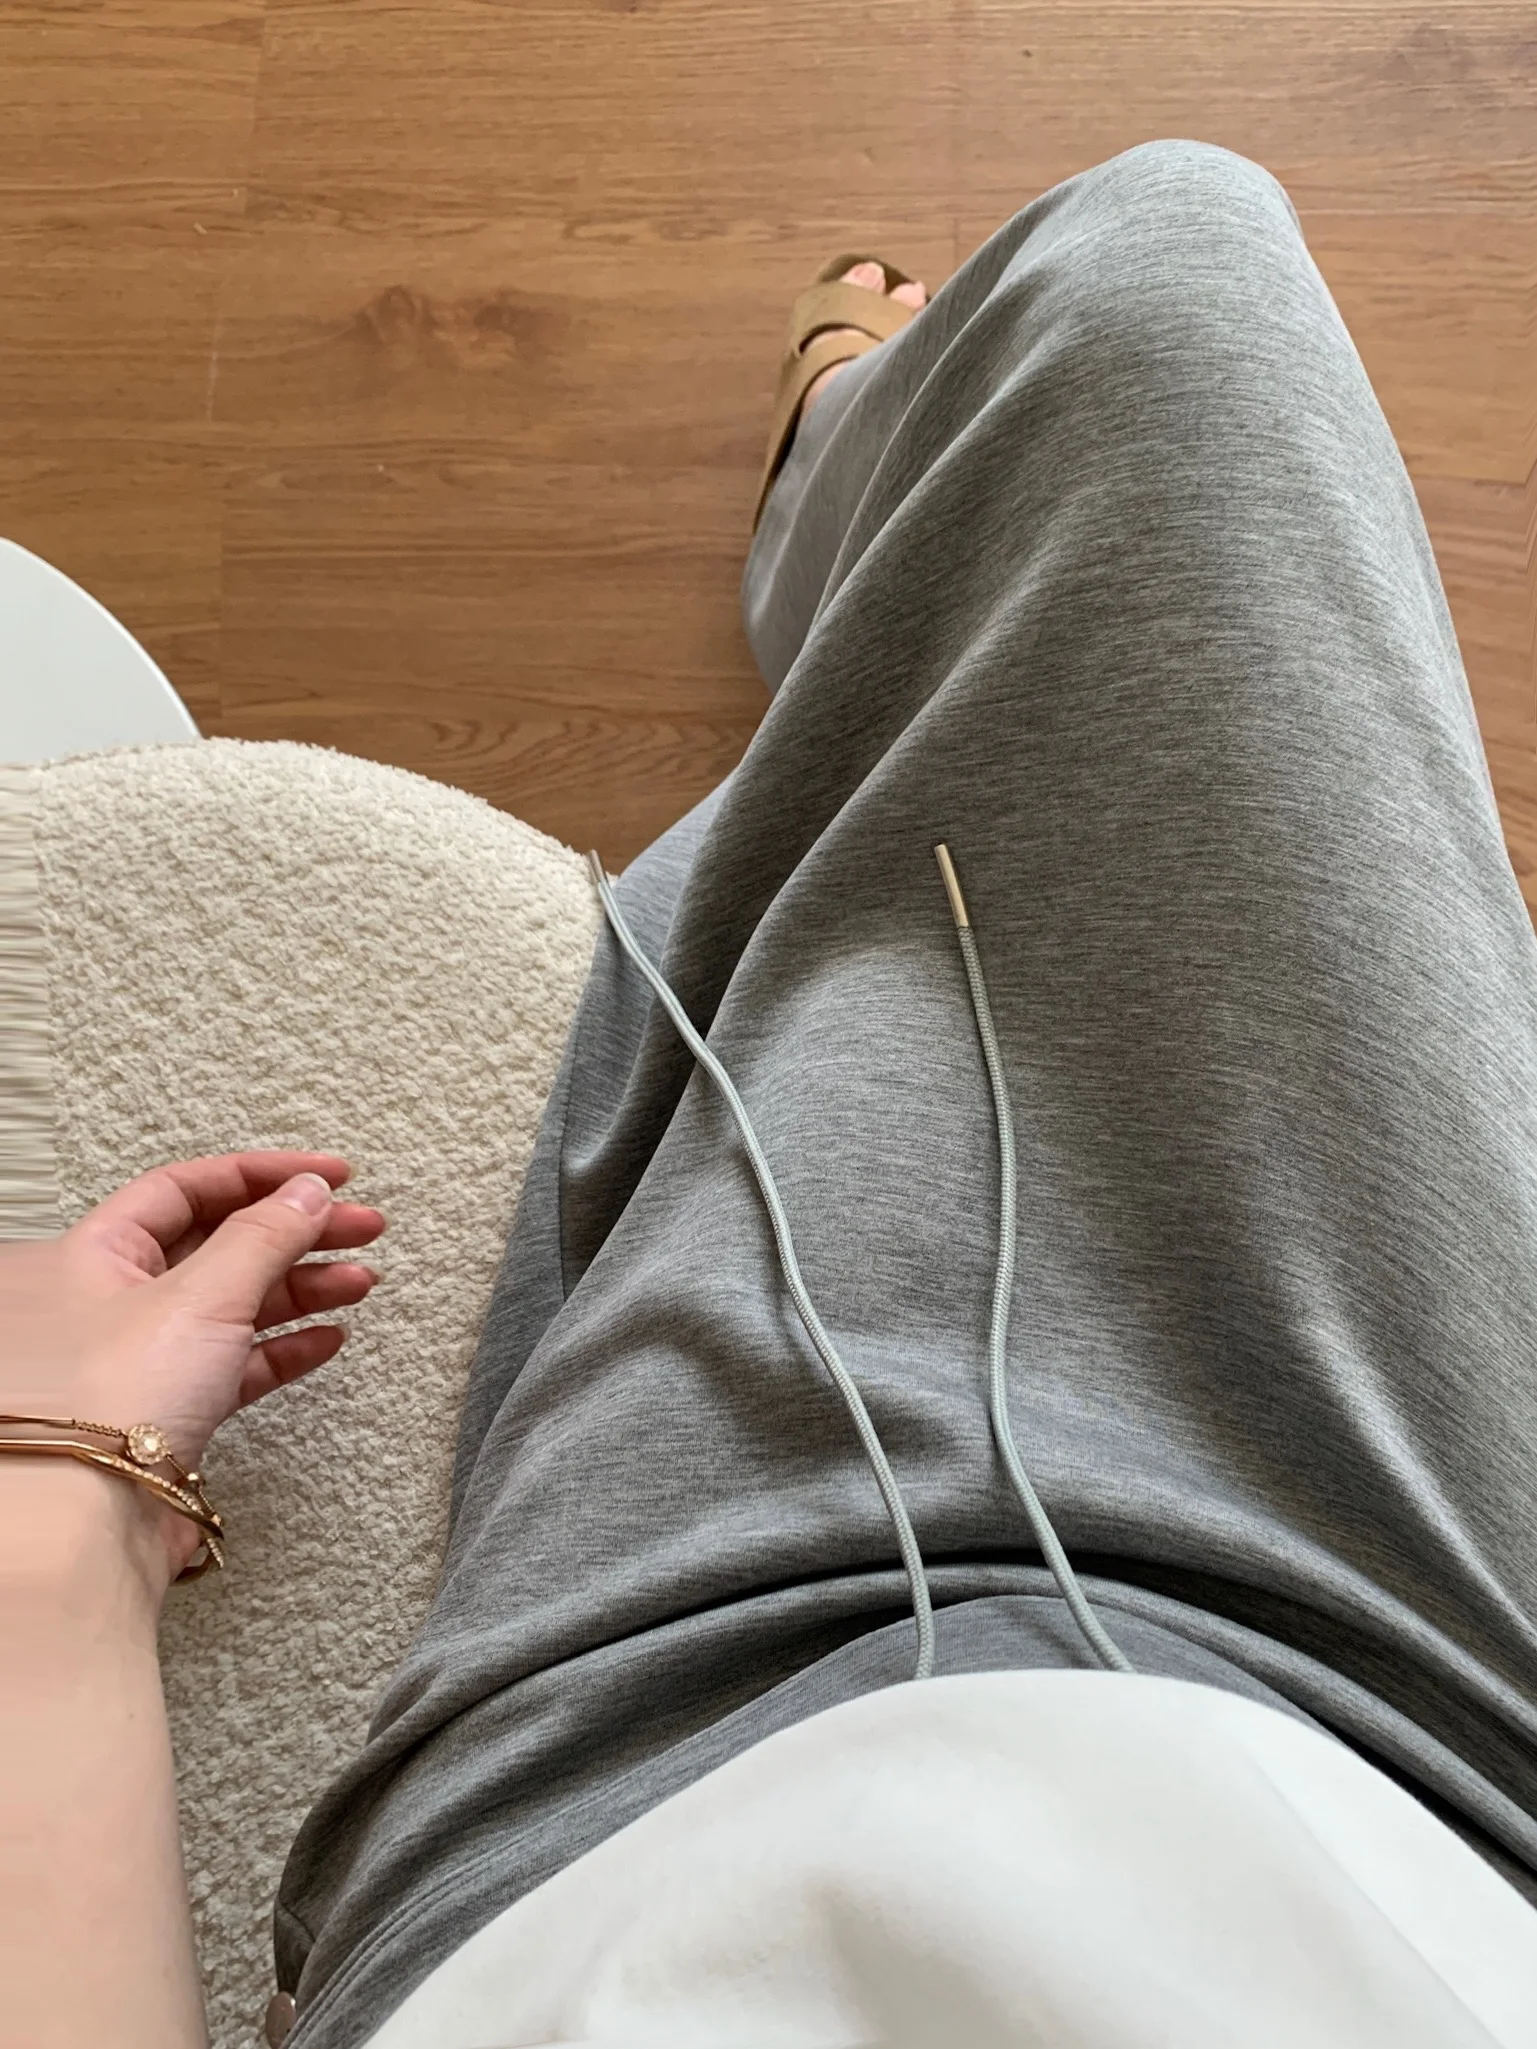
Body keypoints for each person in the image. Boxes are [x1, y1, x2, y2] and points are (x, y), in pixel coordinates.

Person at [4, 138, 1537, 2049]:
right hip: (1438, 1767)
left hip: (651, 1787)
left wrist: (62, 1499)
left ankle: (853, 492)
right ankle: (855, 498)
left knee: (1161, 281)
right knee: (1169, 287)